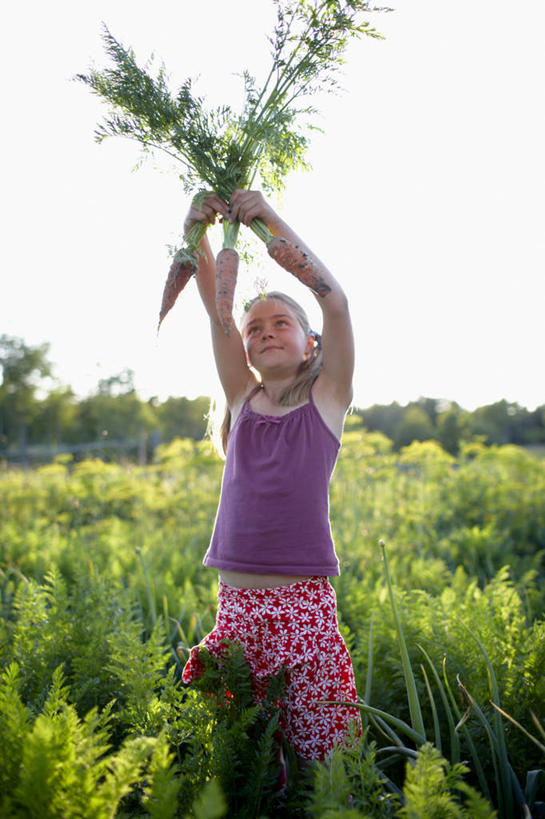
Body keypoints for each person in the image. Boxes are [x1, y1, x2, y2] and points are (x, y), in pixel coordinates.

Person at [181, 189, 361, 765]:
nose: (263, 331)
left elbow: (335, 303)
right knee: (253, 763)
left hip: (302, 607)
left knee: (323, 762)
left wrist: (269, 222)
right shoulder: (242, 401)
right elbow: (218, 314)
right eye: (254, 328)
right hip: (234, 607)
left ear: (310, 343)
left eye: (281, 322)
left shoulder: (327, 399)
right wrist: (199, 238)